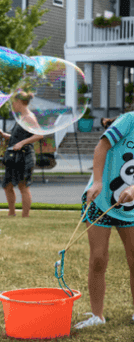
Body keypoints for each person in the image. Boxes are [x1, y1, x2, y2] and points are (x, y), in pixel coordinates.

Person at [75, 111, 134, 329]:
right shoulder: (129, 120)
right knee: (98, 258)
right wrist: (97, 181)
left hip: (129, 208)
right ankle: (97, 315)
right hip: (100, 202)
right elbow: (101, 147)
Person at [0, 92, 43, 217]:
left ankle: (25, 215)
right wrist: (4, 134)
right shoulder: (21, 118)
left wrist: (22, 143)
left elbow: (39, 135)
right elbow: (17, 139)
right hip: (14, 156)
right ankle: (12, 213)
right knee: (7, 185)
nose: (12, 106)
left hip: (24, 156)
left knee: (22, 186)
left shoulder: (29, 117)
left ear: (19, 102)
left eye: (13, 103)